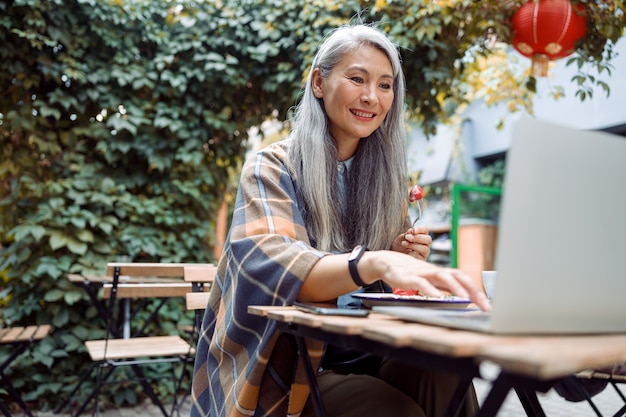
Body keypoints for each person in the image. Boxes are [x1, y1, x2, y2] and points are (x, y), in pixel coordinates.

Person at [191, 23, 491, 417]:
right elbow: (279, 263)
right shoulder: (270, 168)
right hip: (287, 362)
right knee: (391, 410)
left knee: (448, 372)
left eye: (386, 86)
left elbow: (372, 292)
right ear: (319, 82)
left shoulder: (386, 182)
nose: (372, 97)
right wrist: (376, 261)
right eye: (357, 78)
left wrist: (398, 258)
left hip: (367, 350)